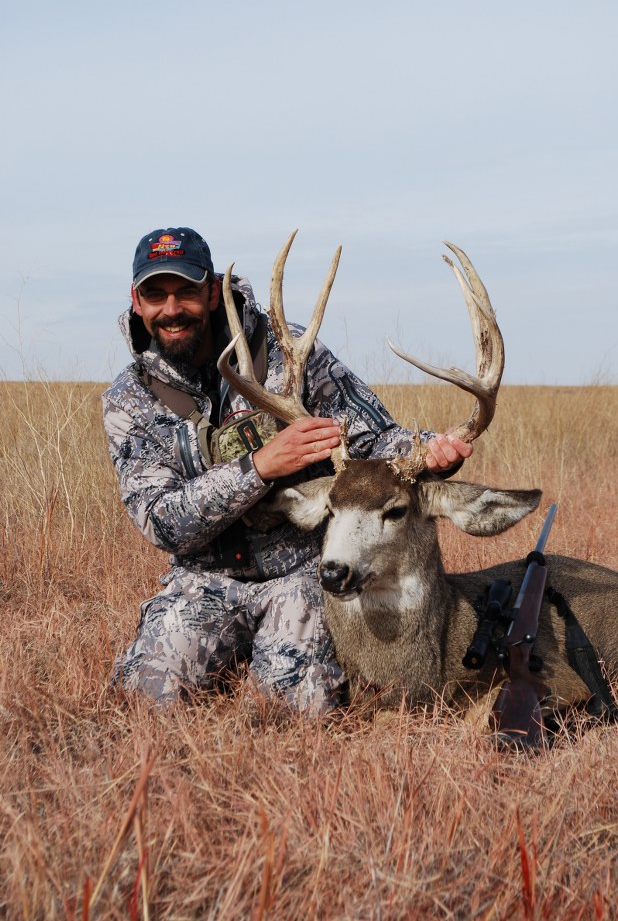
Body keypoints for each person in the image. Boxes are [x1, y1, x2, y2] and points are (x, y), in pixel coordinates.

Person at [103, 227, 472, 713]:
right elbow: (162, 520)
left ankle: (272, 661)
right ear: (137, 300)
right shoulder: (128, 400)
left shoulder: (290, 350)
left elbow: (373, 438)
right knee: (147, 705)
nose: (171, 309)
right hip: (203, 581)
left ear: (212, 291)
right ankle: (226, 654)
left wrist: (428, 451)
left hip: (300, 576)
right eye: (156, 294)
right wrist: (259, 467)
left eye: (187, 292)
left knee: (298, 712)